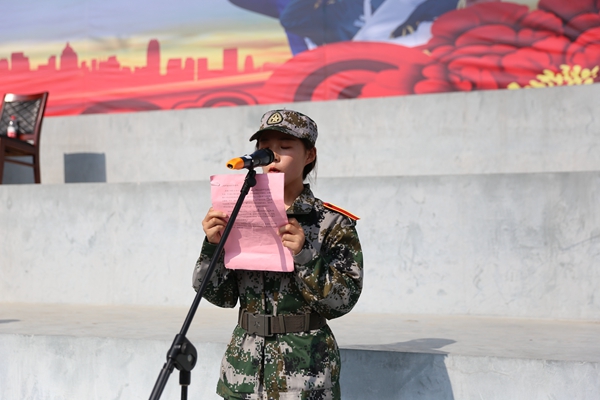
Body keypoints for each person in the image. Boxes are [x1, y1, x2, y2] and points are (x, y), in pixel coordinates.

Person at [193, 109, 364, 399]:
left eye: (285, 147)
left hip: (305, 372)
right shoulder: (238, 210)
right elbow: (217, 295)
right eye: (265, 147)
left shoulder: (332, 223)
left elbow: (342, 301)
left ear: (309, 155)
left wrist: (304, 256)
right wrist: (213, 245)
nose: (273, 156)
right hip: (243, 370)